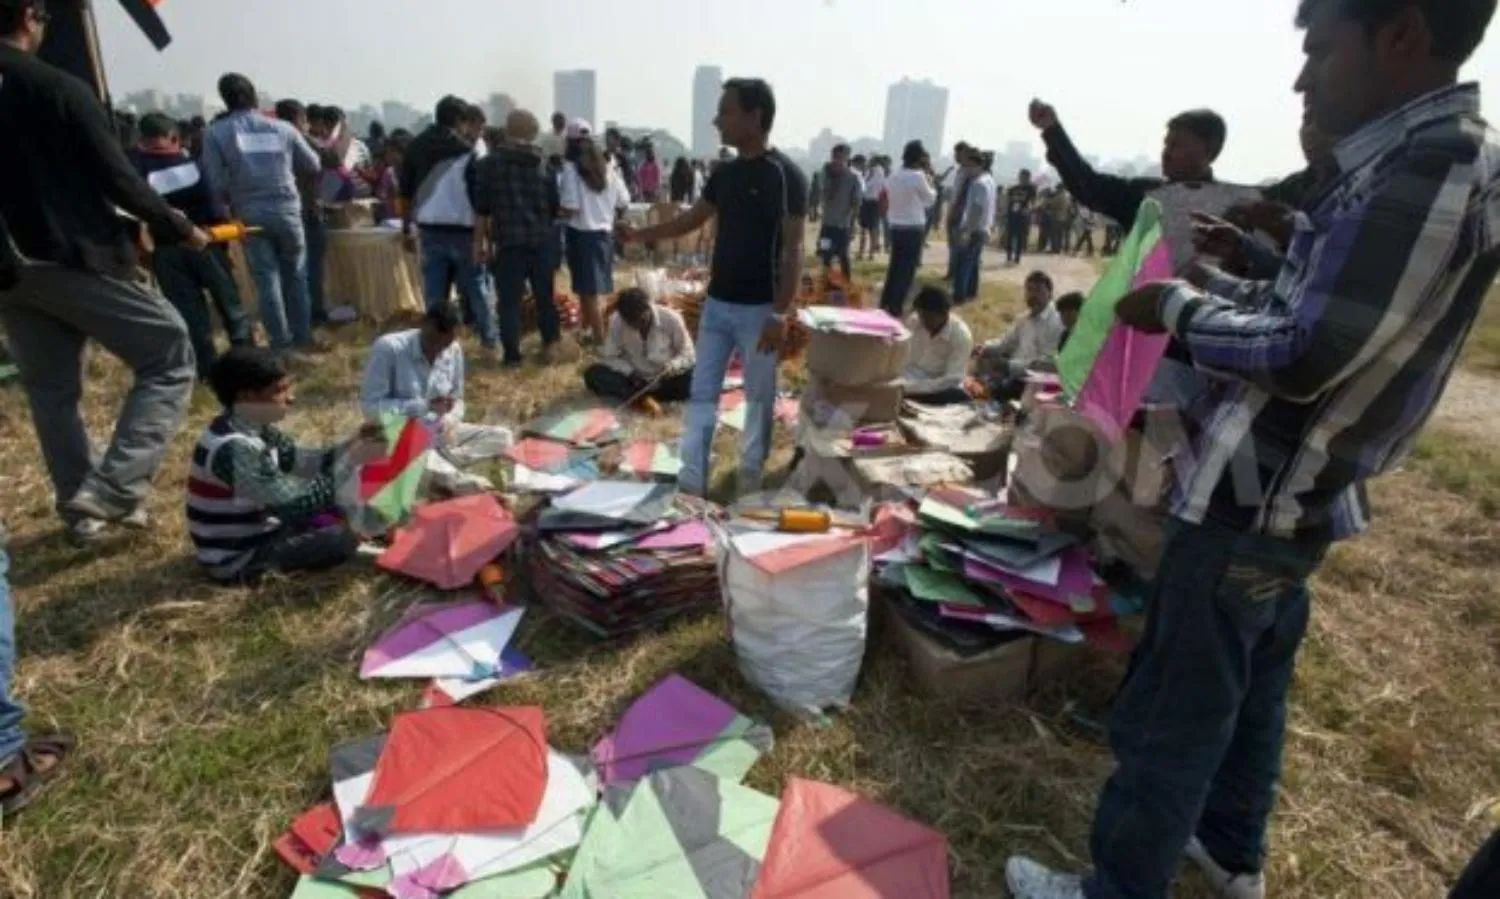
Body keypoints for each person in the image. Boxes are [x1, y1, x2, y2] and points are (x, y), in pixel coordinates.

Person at [1004, 2, 1500, 897]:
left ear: (1401, 36)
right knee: (1250, 689)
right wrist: (1243, 272)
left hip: (1253, 495)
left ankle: (1115, 886)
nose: (1304, 79)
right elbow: (1315, 310)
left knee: (1171, 714)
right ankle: (1230, 853)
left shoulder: (1432, 163)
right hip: (1285, 496)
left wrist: (1178, 311)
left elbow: (1307, 352)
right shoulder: (1426, 162)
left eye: (1319, 49)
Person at [0, 0, 207, 542]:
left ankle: (82, 511)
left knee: (51, 392)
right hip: (69, 252)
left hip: (9, 273)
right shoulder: (59, 89)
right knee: (169, 352)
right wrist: (178, 227)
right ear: (29, 16)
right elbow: (119, 179)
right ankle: (114, 490)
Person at [620, 77, 807, 497]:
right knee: (702, 394)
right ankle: (691, 482)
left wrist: (780, 313)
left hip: (760, 311)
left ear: (754, 117)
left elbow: (794, 250)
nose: (716, 120)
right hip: (718, 305)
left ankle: (750, 479)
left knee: (759, 398)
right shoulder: (725, 174)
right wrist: (640, 235)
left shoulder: (785, 176)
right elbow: (692, 219)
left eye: (725, 111)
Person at [190, 348, 376, 582]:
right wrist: (350, 462)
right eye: (279, 390)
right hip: (239, 557)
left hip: (266, 528)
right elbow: (296, 504)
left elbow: (304, 463)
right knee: (340, 538)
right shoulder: (233, 450)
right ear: (247, 396)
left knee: (348, 508)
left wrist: (353, 443)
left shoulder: (254, 428)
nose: (291, 397)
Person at [203, 74, 323, 355]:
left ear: (225, 99)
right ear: (254, 96)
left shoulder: (216, 133)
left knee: (266, 280)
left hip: (249, 214)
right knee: (296, 275)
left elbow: (215, 182)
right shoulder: (283, 128)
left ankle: (280, 345)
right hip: (287, 211)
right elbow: (314, 164)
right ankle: (302, 338)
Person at [130, 112, 254, 377]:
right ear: (174, 138)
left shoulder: (135, 171)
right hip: (206, 243)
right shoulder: (194, 166)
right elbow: (215, 207)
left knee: (192, 317)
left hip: (166, 251)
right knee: (231, 307)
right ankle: (246, 362)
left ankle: (207, 371)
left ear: (142, 139)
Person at [359, 305, 512, 493]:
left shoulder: (453, 349)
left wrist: (449, 420)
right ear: (423, 325)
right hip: (400, 435)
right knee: (422, 456)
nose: (437, 350)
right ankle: (455, 479)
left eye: (444, 345)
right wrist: (421, 407)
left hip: (439, 434)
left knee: (503, 437)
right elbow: (370, 408)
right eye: (432, 342)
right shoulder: (389, 348)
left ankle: (440, 467)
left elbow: (457, 400)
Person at [1029, 98, 1226, 233]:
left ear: (1209, 151)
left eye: (1176, 145)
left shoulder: (1232, 210)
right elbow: (1088, 184)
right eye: (1166, 144)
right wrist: (1052, 130)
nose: (1166, 153)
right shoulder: (1146, 197)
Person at [400, 95, 499, 355]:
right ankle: (490, 342)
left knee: (434, 295)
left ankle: (433, 346)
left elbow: (404, 193)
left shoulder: (415, 147)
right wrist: (484, 239)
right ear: (459, 120)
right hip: (464, 233)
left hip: (429, 232)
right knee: (477, 291)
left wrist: (405, 228)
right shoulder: (468, 151)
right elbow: (481, 203)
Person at [469, 108, 563, 367]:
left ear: (508, 131)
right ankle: (550, 346)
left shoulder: (488, 164)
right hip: (542, 241)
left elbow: (481, 210)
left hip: (509, 242)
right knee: (545, 297)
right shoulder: (544, 164)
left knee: (509, 301)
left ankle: (512, 355)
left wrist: (478, 244)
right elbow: (555, 207)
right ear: (532, 133)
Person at [561, 120, 631, 344]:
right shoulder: (609, 168)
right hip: (603, 235)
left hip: (581, 234)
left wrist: (554, 213)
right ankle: (587, 331)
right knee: (587, 290)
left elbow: (571, 207)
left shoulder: (571, 169)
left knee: (588, 292)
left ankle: (601, 340)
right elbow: (625, 199)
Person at [583, 287, 696, 403]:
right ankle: (642, 398)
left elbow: (688, 353)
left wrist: (673, 366)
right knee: (593, 373)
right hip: (635, 381)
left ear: (648, 308)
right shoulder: (617, 321)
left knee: (695, 377)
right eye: (631, 323)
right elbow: (610, 357)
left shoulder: (671, 319)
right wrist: (630, 373)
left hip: (666, 379)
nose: (637, 326)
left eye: (640, 321)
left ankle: (639, 398)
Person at [975, 271, 1063, 401]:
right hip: (1013, 371)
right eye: (1029, 290)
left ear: (1050, 294)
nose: (1033, 295)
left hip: (1036, 380)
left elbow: (1045, 364)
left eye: (1038, 290)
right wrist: (984, 347)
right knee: (982, 365)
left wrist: (1009, 366)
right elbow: (1005, 344)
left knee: (992, 390)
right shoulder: (1023, 319)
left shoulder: (1056, 322)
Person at [880, 140, 937, 317]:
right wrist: (930, 179)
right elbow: (930, 200)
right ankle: (897, 305)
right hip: (913, 227)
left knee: (895, 266)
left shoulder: (893, 175)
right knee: (907, 269)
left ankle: (886, 302)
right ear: (919, 158)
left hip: (896, 225)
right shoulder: (918, 176)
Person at [902, 286, 973, 405]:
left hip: (936, 386)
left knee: (956, 395)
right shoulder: (914, 321)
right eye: (921, 316)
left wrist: (913, 388)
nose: (924, 321)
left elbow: (952, 378)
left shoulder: (961, 335)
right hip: (907, 378)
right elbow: (901, 356)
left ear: (944, 314)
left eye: (929, 317)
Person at [951, 147, 996, 304]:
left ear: (978, 165)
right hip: (983, 227)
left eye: (969, 166)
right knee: (973, 263)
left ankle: (959, 295)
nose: (967, 170)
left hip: (974, 228)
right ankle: (971, 291)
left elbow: (976, 209)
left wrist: (967, 232)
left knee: (963, 262)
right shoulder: (989, 180)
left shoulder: (978, 184)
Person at [816, 144, 862, 277]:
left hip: (843, 225)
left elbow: (856, 203)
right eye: (834, 156)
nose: (836, 160)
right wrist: (831, 178)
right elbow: (823, 194)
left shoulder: (853, 178)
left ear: (847, 158)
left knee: (844, 256)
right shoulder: (826, 173)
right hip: (827, 224)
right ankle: (825, 283)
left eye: (840, 157)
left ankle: (846, 285)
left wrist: (853, 223)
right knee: (825, 255)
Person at [944, 141, 974, 278]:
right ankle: (952, 271)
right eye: (955, 153)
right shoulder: (960, 171)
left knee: (958, 245)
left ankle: (955, 273)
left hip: (961, 213)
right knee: (952, 244)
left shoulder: (970, 172)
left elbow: (964, 195)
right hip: (953, 210)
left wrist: (957, 211)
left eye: (959, 153)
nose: (956, 156)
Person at [856, 152, 886, 260]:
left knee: (872, 229)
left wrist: (865, 179)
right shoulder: (869, 171)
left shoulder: (878, 171)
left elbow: (867, 186)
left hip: (873, 203)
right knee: (863, 229)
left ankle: (870, 254)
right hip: (866, 202)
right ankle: (861, 252)